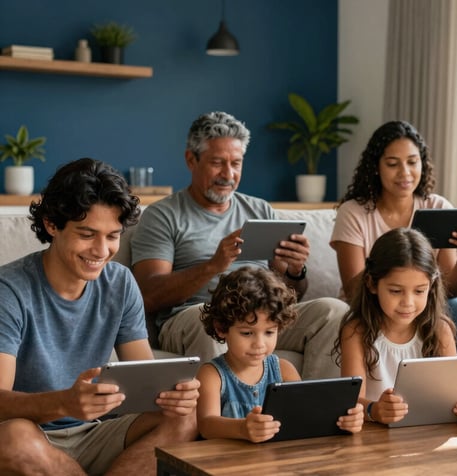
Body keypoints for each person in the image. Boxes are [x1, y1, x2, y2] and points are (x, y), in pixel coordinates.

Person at [0, 158, 200, 475]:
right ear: (52, 224)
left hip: (97, 432)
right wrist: (64, 403)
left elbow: (146, 382)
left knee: (186, 416)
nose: (101, 250)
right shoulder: (9, 290)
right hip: (34, 433)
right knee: (11, 438)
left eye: (112, 236)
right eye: (87, 234)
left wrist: (174, 395)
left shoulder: (119, 282)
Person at [130, 111, 346, 379]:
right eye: (217, 163)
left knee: (334, 311)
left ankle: (312, 411)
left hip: (262, 316)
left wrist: (294, 271)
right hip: (195, 315)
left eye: (236, 163)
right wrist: (213, 266)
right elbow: (148, 296)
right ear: (191, 159)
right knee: (209, 318)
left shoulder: (259, 210)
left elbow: (290, 295)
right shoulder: (163, 215)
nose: (228, 174)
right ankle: (221, 417)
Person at [330, 120, 457, 355]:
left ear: (423, 164)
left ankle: (456, 387)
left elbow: (448, 292)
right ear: (376, 167)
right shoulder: (354, 212)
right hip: (372, 306)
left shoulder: (438, 206)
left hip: (422, 307)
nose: (405, 173)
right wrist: (395, 286)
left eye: (412, 162)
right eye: (392, 164)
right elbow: (353, 290)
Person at [333, 227, 457, 424]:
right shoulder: (356, 332)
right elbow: (352, 401)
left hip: (427, 434)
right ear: (372, 284)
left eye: (419, 291)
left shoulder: (440, 330)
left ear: (431, 286)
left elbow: (454, 399)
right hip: (375, 438)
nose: (408, 302)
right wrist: (375, 410)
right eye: (396, 291)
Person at [196, 266, 363, 442]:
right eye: (247, 333)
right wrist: (242, 428)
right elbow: (207, 426)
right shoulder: (212, 375)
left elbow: (305, 414)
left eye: (269, 332)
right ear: (221, 328)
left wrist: (345, 419)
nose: (259, 344)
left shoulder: (284, 370)